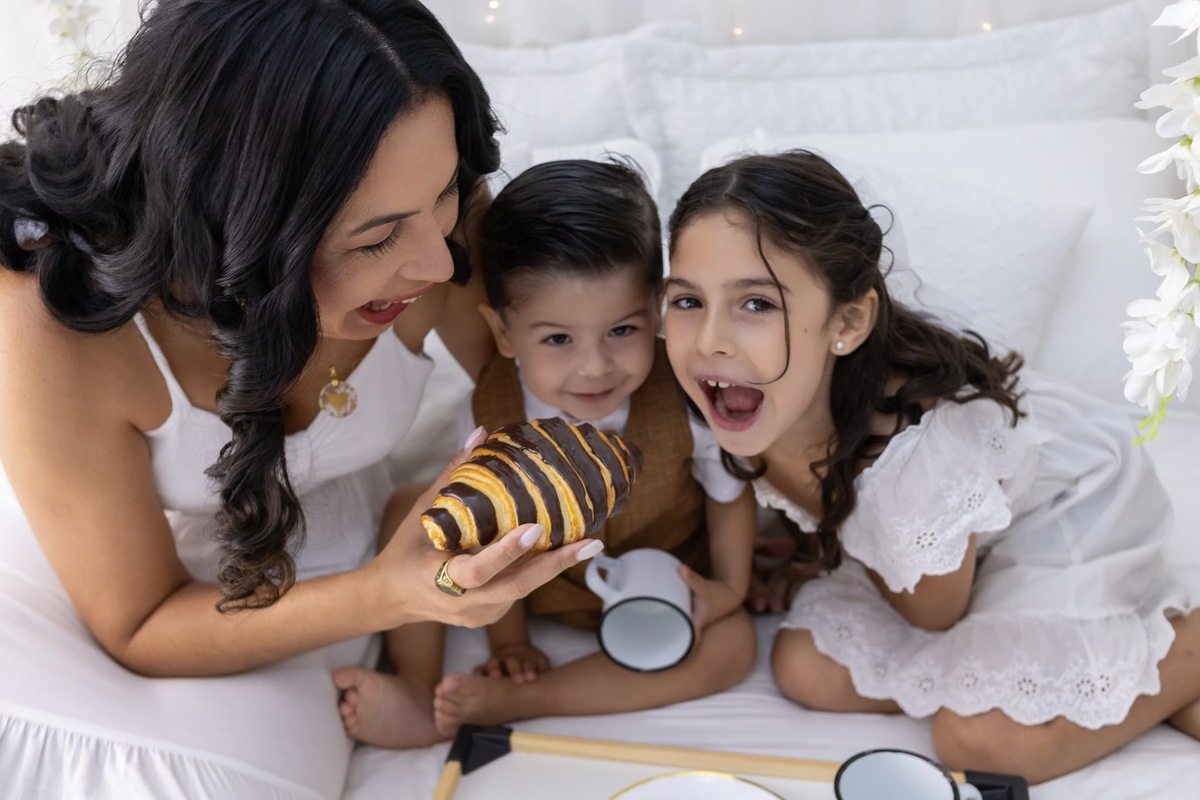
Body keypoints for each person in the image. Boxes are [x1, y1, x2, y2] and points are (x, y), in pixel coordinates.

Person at [0, 1, 600, 795]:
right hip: (104, 595)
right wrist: (387, 593)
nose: (437, 264)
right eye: (375, 237)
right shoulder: (55, 325)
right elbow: (139, 624)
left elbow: (569, 382)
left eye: (448, 192)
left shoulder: (431, 209)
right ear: (237, 228)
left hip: (322, 595)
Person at [659, 149, 1200, 784]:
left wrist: (803, 487)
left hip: (1068, 513)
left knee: (978, 743)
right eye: (687, 300)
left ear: (849, 321)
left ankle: (1178, 652)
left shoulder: (915, 459)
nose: (708, 340)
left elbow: (935, 616)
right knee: (803, 665)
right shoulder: (740, 396)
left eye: (757, 304)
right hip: (949, 556)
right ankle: (1094, 680)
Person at [333, 159, 758, 746]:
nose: (594, 365)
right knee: (412, 513)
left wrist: (731, 587)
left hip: (665, 589)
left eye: (623, 331)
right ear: (504, 333)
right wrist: (510, 643)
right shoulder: (493, 410)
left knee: (734, 646)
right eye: (558, 338)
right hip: (535, 591)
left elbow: (728, 491)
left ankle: (530, 700)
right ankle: (415, 683)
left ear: (658, 310)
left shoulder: (683, 389)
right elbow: (482, 534)